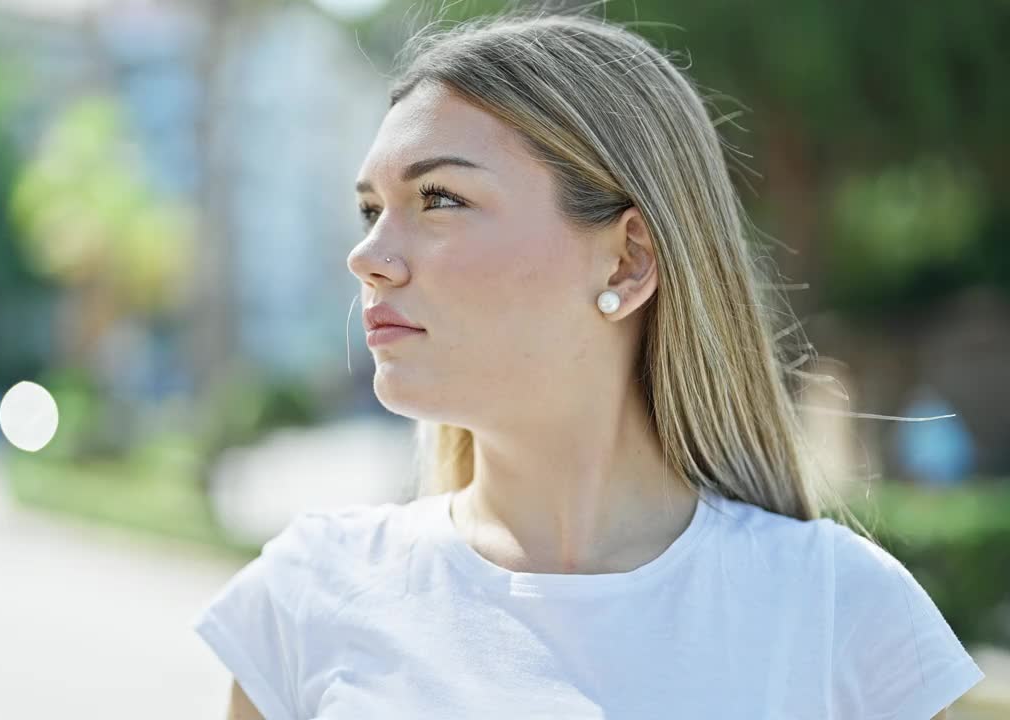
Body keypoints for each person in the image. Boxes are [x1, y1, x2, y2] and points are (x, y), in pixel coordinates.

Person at [191, 10, 985, 719]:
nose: (368, 257)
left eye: (440, 199)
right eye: (371, 210)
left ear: (627, 261)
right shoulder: (307, 598)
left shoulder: (843, 616)